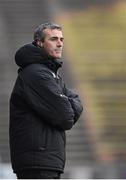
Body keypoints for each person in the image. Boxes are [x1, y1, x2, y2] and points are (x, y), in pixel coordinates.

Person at [9, 22, 83, 179]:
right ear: (39, 42)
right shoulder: (37, 74)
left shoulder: (48, 73)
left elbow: (74, 100)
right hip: (38, 161)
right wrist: (69, 103)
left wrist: (69, 103)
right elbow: (65, 117)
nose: (59, 44)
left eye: (62, 39)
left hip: (44, 160)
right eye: (54, 39)